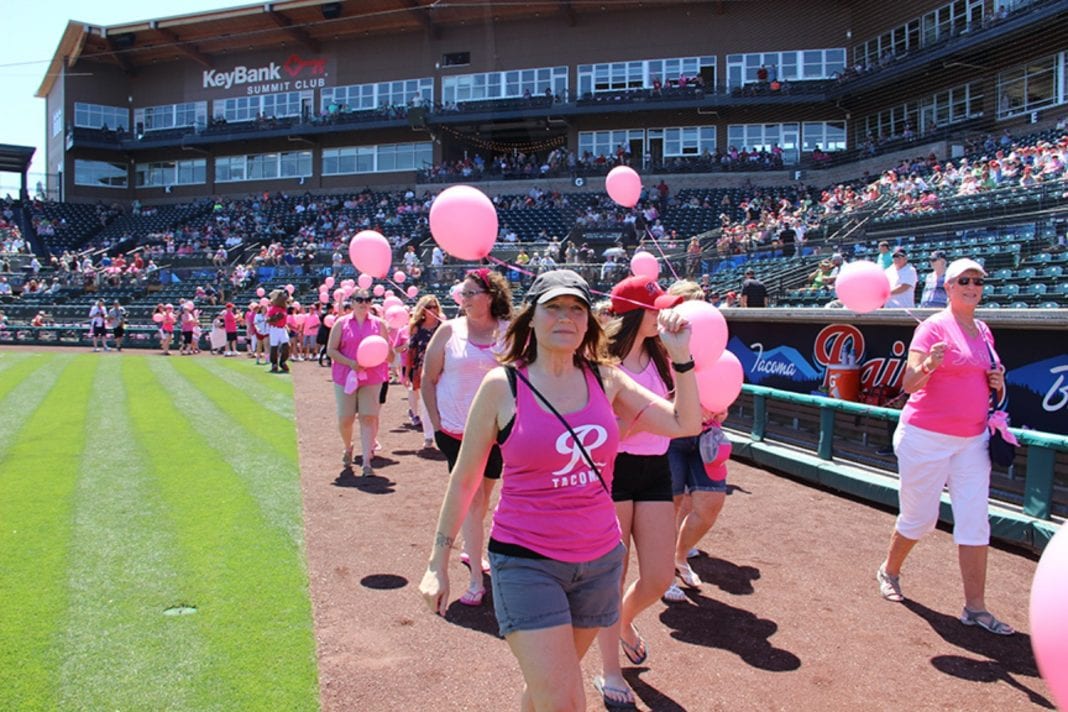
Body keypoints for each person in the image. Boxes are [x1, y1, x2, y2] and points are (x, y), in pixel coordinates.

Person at [420, 269, 702, 711]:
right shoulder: (502, 385)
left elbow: (684, 423)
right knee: (567, 701)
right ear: (530, 318)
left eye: (576, 309)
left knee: (547, 690)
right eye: (553, 307)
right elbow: (465, 479)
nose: (565, 317)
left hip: (598, 564)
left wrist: (681, 358)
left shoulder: (606, 380)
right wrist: (438, 560)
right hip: (527, 562)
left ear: (589, 321)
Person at [876, 258, 1014, 635]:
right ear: (948, 286)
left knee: (975, 522)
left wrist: (995, 379)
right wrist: (930, 366)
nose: (973, 286)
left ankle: (976, 607)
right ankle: (889, 569)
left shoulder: (984, 330)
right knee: (921, 519)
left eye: (978, 281)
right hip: (926, 438)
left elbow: (984, 378)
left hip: (972, 440)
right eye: (964, 281)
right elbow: (908, 385)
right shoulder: (933, 327)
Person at [593, 274, 685, 706]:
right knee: (614, 574)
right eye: (656, 308)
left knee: (659, 576)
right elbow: (597, 428)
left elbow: (678, 413)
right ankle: (610, 670)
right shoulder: (601, 360)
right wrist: (630, 424)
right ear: (635, 313)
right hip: (615, 471)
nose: (663, 314)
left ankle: (624, 621)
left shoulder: (663, 355)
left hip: (656, 468)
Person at [421, 268, 513, 606]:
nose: (465, 297)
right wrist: (434, 423)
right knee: (473, 502)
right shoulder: (448, 331)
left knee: (483, 498)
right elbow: (428, 378)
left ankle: (471, 548)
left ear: (491, 296)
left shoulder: (508, 332)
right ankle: (476, 576)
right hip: (456, 430)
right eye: (463, 292)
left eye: (472, 292)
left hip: (498, 432)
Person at [327, 290, 390, 476]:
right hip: (345, 376)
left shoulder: (379, 325)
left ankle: (366, 461)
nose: (364, 303)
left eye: (367, 300)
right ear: (352, 302)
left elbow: (385, 349)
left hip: (372, 377)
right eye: (359, 299)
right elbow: (331, 350)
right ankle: (348, 447)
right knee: (345, 418)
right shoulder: (341, 323)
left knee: (368, 417)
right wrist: (351, 363)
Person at [405, 295, 443, 449]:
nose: (432, 310)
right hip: (423, 370)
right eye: (429, 307)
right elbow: (411, 351)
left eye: (434, 306)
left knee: (442, 402)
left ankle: (442, 434)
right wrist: (407, 372)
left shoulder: (443, 326)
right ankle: (428, 436)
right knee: (426, 403)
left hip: (443, 368)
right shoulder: (416, 327)